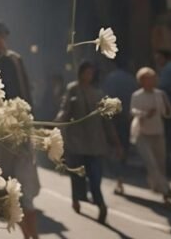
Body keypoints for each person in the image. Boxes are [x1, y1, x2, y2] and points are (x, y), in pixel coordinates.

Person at [0, 22, 40, 239]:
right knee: (5, 185)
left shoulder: (15, 59)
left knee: (24, 181)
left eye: (3, 36)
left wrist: (29, 118)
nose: (0, 39)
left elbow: (25, 90)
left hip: (19, 124)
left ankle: (32, 234)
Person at [56, 60, 121, 223]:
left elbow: (107, 120)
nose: (88, 75)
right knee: (76, 176)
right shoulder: (73, 89)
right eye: (86, 72)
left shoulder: (98, 93)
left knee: (95, 177)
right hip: (76, 142)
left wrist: (115, 141)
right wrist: (56, 127)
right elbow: (64, 111)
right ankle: (76, 199)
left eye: (91, 73)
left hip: (95, 143)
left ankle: (101, 204)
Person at [131, 67, 171, 203]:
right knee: (151, 163)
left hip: (158, 132)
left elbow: (167, 113)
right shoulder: (137, 95)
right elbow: (133, 111)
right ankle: (165, 189)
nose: (152, 81)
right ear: (142, 81)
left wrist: (169, 109)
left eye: (153, 78)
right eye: (149, 79)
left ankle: (158, 186)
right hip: (142, 133)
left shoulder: (160, 94)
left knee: (160, 163)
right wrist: (145, 114)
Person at [102, 58, 138, 194]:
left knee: (114, 146)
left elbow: (105, 98)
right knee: (124, 146)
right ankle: (120, 174)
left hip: (114, 118)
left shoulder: (110, 79)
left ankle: (118, 177)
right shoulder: (132, 80)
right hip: (127, 118)